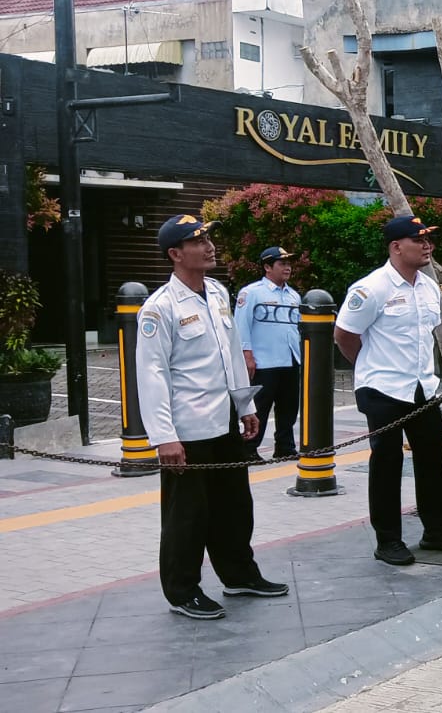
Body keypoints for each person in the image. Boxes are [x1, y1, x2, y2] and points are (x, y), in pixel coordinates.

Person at [138, 215, 287, 620]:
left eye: (208, 238)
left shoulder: (218, 293)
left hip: (223, 423)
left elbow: (232, 354)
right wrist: (164, 437)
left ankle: (239, 574)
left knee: (235, 507)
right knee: (187, 516)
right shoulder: (160, 308)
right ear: (175, 253)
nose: (209, 246)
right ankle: (182, 590)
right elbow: (151, 376)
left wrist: (246, 406)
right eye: (197, 241)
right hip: (187, 430)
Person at [334, 215, 442, 566]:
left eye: (428, 239)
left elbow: (428, 335)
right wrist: (368, 364)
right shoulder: (371, 288)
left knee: (433, 461)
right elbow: (344, 335)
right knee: (387, 463)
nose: (427, 246)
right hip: (382, 389)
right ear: (396, 247)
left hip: (422, 388)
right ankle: (388, 540)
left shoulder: (429, 287)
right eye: (418, 240)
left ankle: (436, 530)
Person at [234, 246, 302, 461]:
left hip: (290, 359)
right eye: (282, 264)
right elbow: (241, 325)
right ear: (267, 267)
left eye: (289, 264)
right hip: (264, 360)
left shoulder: (293, 295)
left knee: (289, 407)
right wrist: (246, 354)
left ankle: (285, 447)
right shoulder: (252, 292)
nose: (287, 268)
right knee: (260, 407)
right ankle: (249, 448)